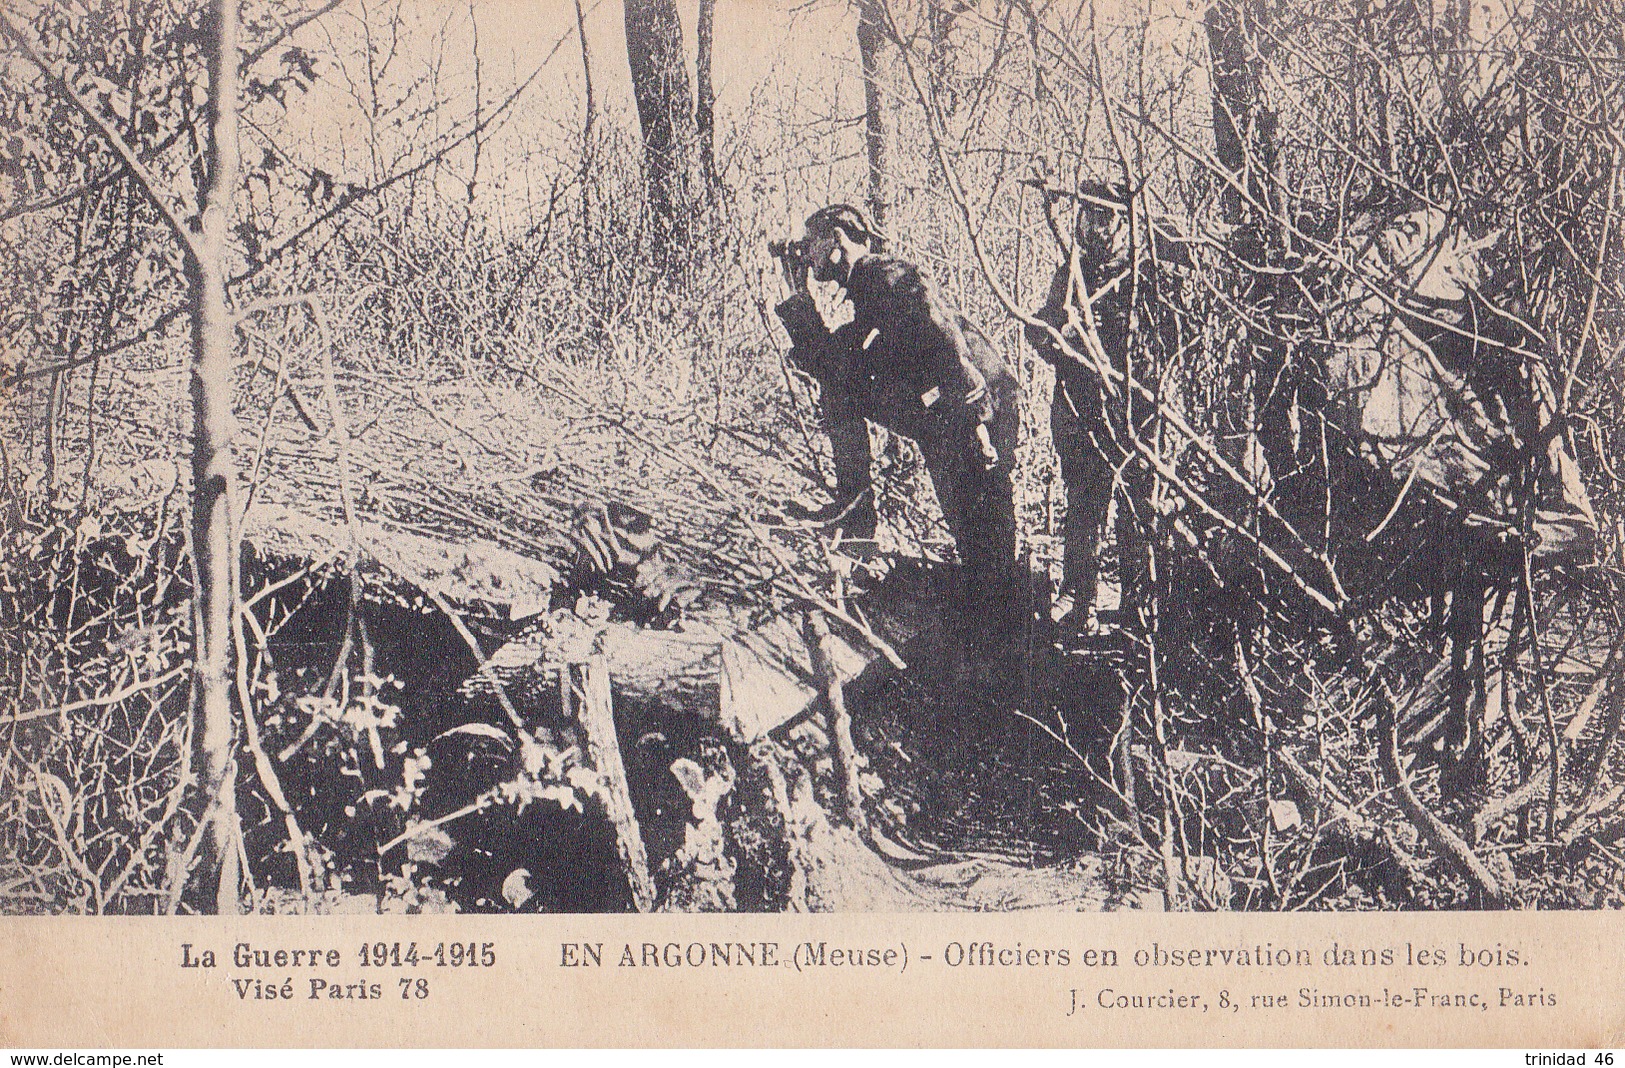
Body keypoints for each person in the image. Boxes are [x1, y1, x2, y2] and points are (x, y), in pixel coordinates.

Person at [771, 204, 1023, 645]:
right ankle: (857, 516)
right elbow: (834, 366)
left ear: (836, 240)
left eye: (812, 244)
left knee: (983, 534)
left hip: (974, 403)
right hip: (948, 411)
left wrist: (977, 420)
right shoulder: (868, 290)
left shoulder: (883, 276)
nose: (808, 255)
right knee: (979, 539)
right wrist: (799, 300)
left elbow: (944, 338)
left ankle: (1006, 640)